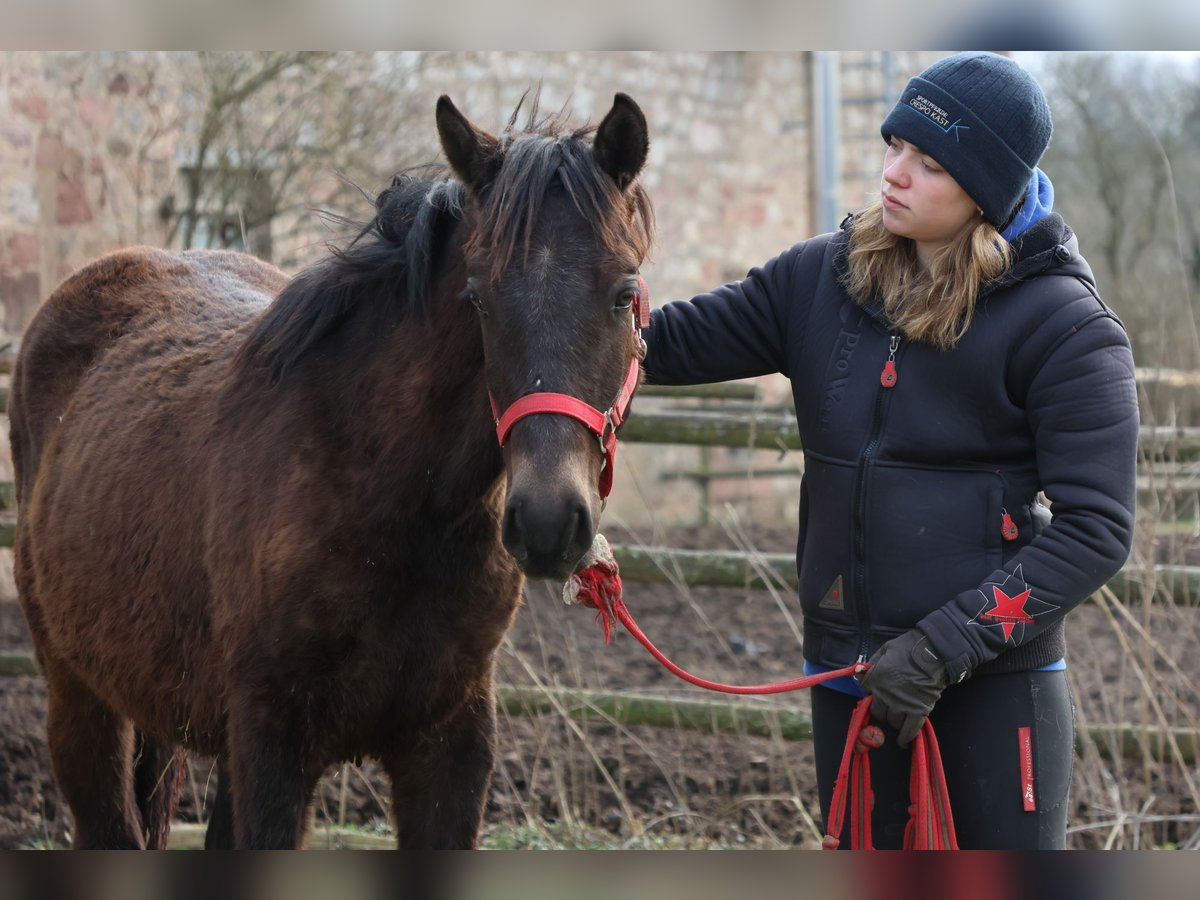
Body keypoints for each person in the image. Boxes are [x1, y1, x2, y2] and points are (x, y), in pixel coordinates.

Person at [641, 51, 1138, 849]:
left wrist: (944, 649)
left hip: (991, 682)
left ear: (986, 188)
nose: (895, 174)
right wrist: (570, 280)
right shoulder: (820, 279)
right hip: (849, 673)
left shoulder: (1069, 329)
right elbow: (653, 346)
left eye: (930, 162)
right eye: (894, 146)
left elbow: (1098, 530)